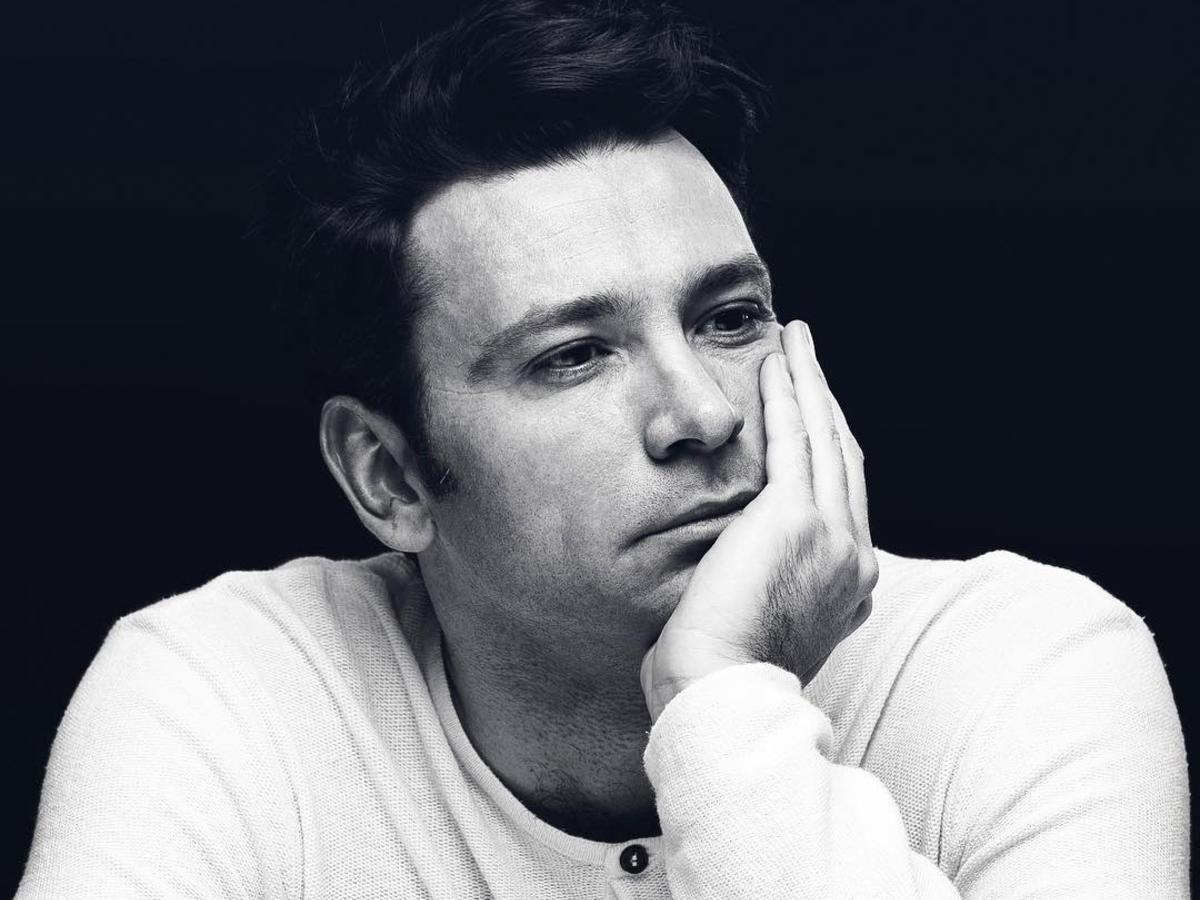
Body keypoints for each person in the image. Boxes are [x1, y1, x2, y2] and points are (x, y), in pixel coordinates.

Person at [16, 0, 1189, 896]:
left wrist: (723, 696)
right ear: (389, 475)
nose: (706, 416)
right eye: (575, 354)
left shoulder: (1022, 672)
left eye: (729, 318)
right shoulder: (230, 696)